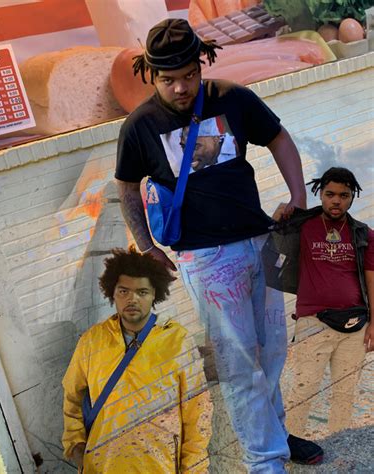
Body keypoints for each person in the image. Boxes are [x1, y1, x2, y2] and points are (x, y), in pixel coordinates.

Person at [115, 18, 322, 472]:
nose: (181, 87)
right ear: (151, 75)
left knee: (270, 353)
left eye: (189, 75)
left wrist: (297, 197)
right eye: (169, 79)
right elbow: (127, 187)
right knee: (239, 364)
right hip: (207, 259)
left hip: (260, 242)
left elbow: (278, 137)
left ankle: (273, 435)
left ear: (201, 64)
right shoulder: (141, 126)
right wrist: (147, 247)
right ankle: (264, 461)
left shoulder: (232, 98)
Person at [62, 247, 212, 473]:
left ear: (154, 295)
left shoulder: (177, 341)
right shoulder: (92, 341)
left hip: (160, 466)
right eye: (123, 291)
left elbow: (197, 409)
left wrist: (194, 469)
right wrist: (76, 445)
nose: (132, 299)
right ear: (112, 293)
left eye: (142, 292)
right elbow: (71, 395)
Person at [273, 167, 374, 436]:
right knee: (303, 390)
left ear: (352, 197)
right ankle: (292, 444)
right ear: (320, 194)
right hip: (313, 321)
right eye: (330, 194)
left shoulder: (363, 233)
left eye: (344, 195)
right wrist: (276, 218)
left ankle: (339, 445)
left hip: (355, 323)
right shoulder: (303, 225)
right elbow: (269, 247)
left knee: (345, 392)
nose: (336, 201)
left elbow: (371, 279)